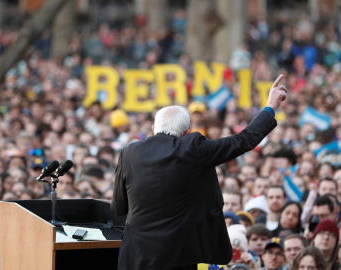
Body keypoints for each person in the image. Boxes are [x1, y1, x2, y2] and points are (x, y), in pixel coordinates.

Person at [111, 75, 288, 269]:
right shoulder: (193, 148)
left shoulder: (128, 153)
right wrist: (270, 106)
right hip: (178, 256)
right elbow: (243, 141)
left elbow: (119, 207)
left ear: (154, 129)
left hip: (134, 256)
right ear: (186, 132)